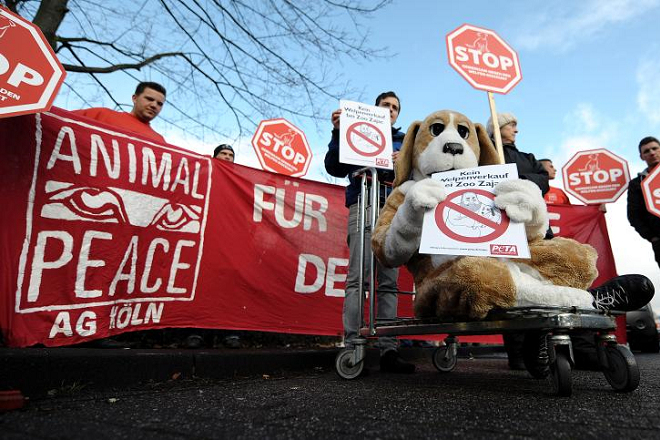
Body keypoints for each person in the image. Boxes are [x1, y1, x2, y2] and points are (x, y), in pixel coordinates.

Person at [324, 91, 415, 374]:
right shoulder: (354, 128)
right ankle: (353, 345)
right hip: (363, 203)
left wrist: (405, 162)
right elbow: (334, 167)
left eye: (395, 108)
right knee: (357, 278)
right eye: (386, 106)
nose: (390, 110)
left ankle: (389, 350)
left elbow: (418, 173)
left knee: (388, 279)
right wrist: (339, 133)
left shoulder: (405, 140)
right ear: (375, 109)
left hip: (392, 209)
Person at [73, 81, 167, 143]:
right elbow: (60, 121)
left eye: (160, 104)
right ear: (135, 98)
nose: (154, 105)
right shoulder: (100, 115)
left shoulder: (160, 142)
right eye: (149, 99)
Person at [627, 136, 660, 269]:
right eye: (646, 151)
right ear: (641, 157)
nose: (651, 152)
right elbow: (634, 215)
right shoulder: (637, 184)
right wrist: (653, 237)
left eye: (655, 148)